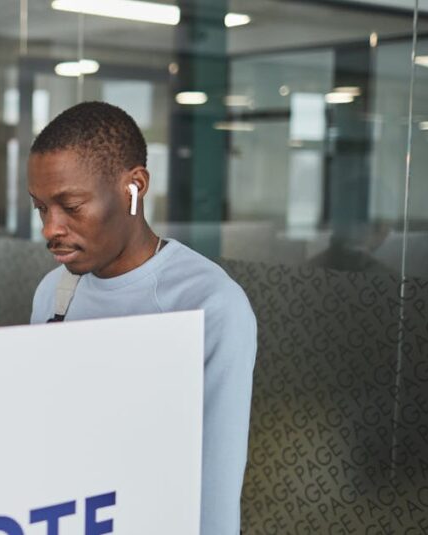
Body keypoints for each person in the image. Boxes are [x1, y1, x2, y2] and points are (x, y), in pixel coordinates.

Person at [27, 101, 256, 534]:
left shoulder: (209, 304)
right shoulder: (54, 293)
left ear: (134, 187)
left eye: (71, 206)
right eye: (40, 207)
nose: (49, 228)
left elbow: (215, 489)